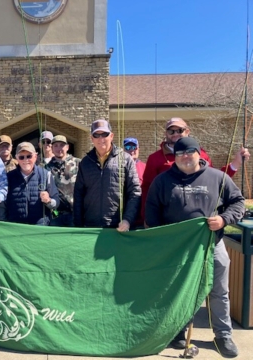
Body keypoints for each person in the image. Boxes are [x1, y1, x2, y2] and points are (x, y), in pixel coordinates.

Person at [145, 137, 244, 357]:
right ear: (175, 157)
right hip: (177, 247)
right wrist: (165, 236)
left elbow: (238, 202)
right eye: (180, 153)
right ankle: (177, 331)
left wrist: (224, 220)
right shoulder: (163, 181)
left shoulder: (218, 178)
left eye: (190, 152)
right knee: (178, 290)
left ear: (199, 153)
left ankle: (223, 335)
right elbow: (151, 213)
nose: (185, 156)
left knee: (219, 291)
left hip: (211, 244)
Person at [141, 117, 249, 221]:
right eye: (171, 131)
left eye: (179, 130)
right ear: (166, 133)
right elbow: (148, 190)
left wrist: (236, 163)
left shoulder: (201, 154)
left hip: (204, 229)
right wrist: (146, 218)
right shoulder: (154, 158)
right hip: (169, 224)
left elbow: (213, 181)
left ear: (187, 131)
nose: (175, 134)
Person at [73, 119, 140, 231]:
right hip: (91, 226)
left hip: (118, 227)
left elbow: (135, 192)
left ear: (111, 136)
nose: (101, 139)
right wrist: (78, 226)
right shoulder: (85, 162)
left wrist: (127, 220)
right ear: (92, 138)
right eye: (96, 135)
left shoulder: (126, 159)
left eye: (105, 134)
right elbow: (78, 194)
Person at [0, 142, 59, 225]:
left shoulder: (46, 175)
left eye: (29, 156)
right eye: (21, 157)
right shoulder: (8, 177)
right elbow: (2, 206)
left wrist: (48, 201)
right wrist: (3, 225)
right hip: (15, 228)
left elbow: (56, 203)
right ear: (17, 158)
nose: (25, 160)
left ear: (35, 156)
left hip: (40, 228)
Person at [45, 135, 80, 227]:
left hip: (76, 213)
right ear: (51, 148)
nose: (59, 148)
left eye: (62, 145)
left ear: (67, 147)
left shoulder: (78, 163)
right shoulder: (46, 168)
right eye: (55, 145)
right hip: (55, 215)